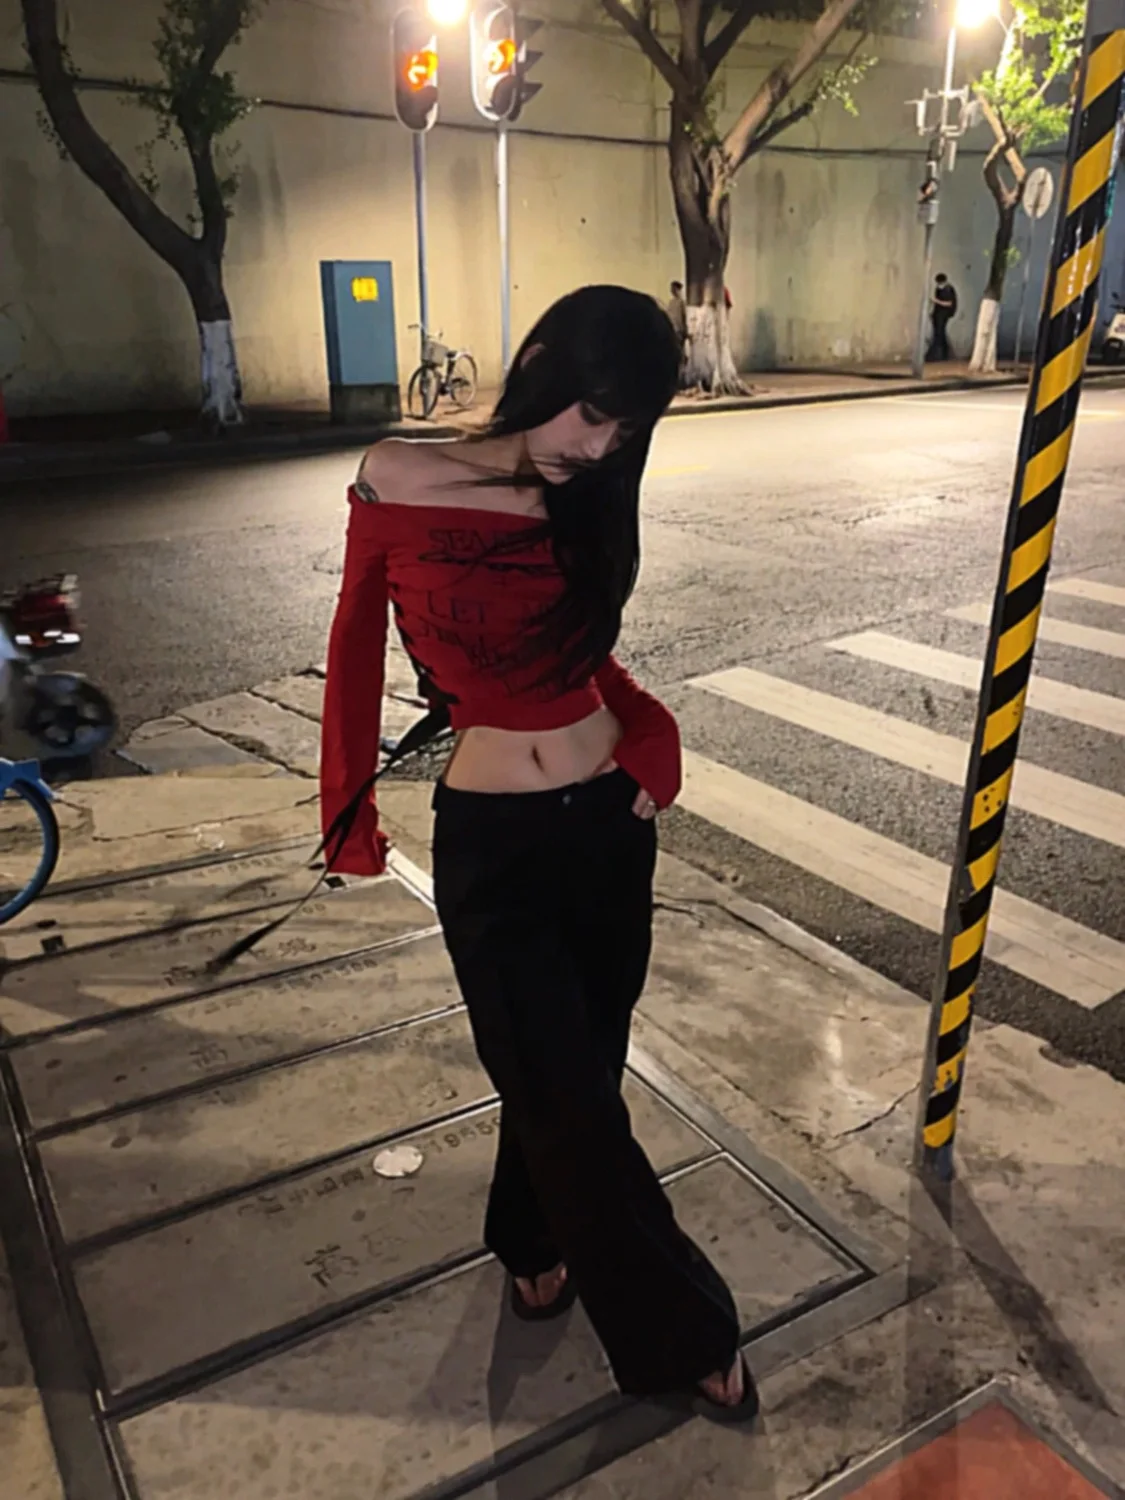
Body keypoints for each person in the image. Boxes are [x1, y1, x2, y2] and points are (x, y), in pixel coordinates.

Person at [320, 285, 754, 1421]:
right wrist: (347, 818)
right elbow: (355, 642)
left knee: (579, 1076)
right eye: (593, 414)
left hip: (610, 829)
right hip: (497, 845)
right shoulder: (398, 476)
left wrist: (652, 739)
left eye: (626, 429)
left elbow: (584, 662)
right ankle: (682, 1331)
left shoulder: (591, 495)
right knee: (566, 1099)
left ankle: (528, 1236)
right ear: (544, 366)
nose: (601, 447)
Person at [929, 273, 957, 361]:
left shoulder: (948, 289)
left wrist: (936, 301)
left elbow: (949, 303)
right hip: (938, 314)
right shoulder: (939, 289)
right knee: (939, 333)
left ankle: (940, 354)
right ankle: (942, 353)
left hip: (944, 314)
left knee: (940, 333)